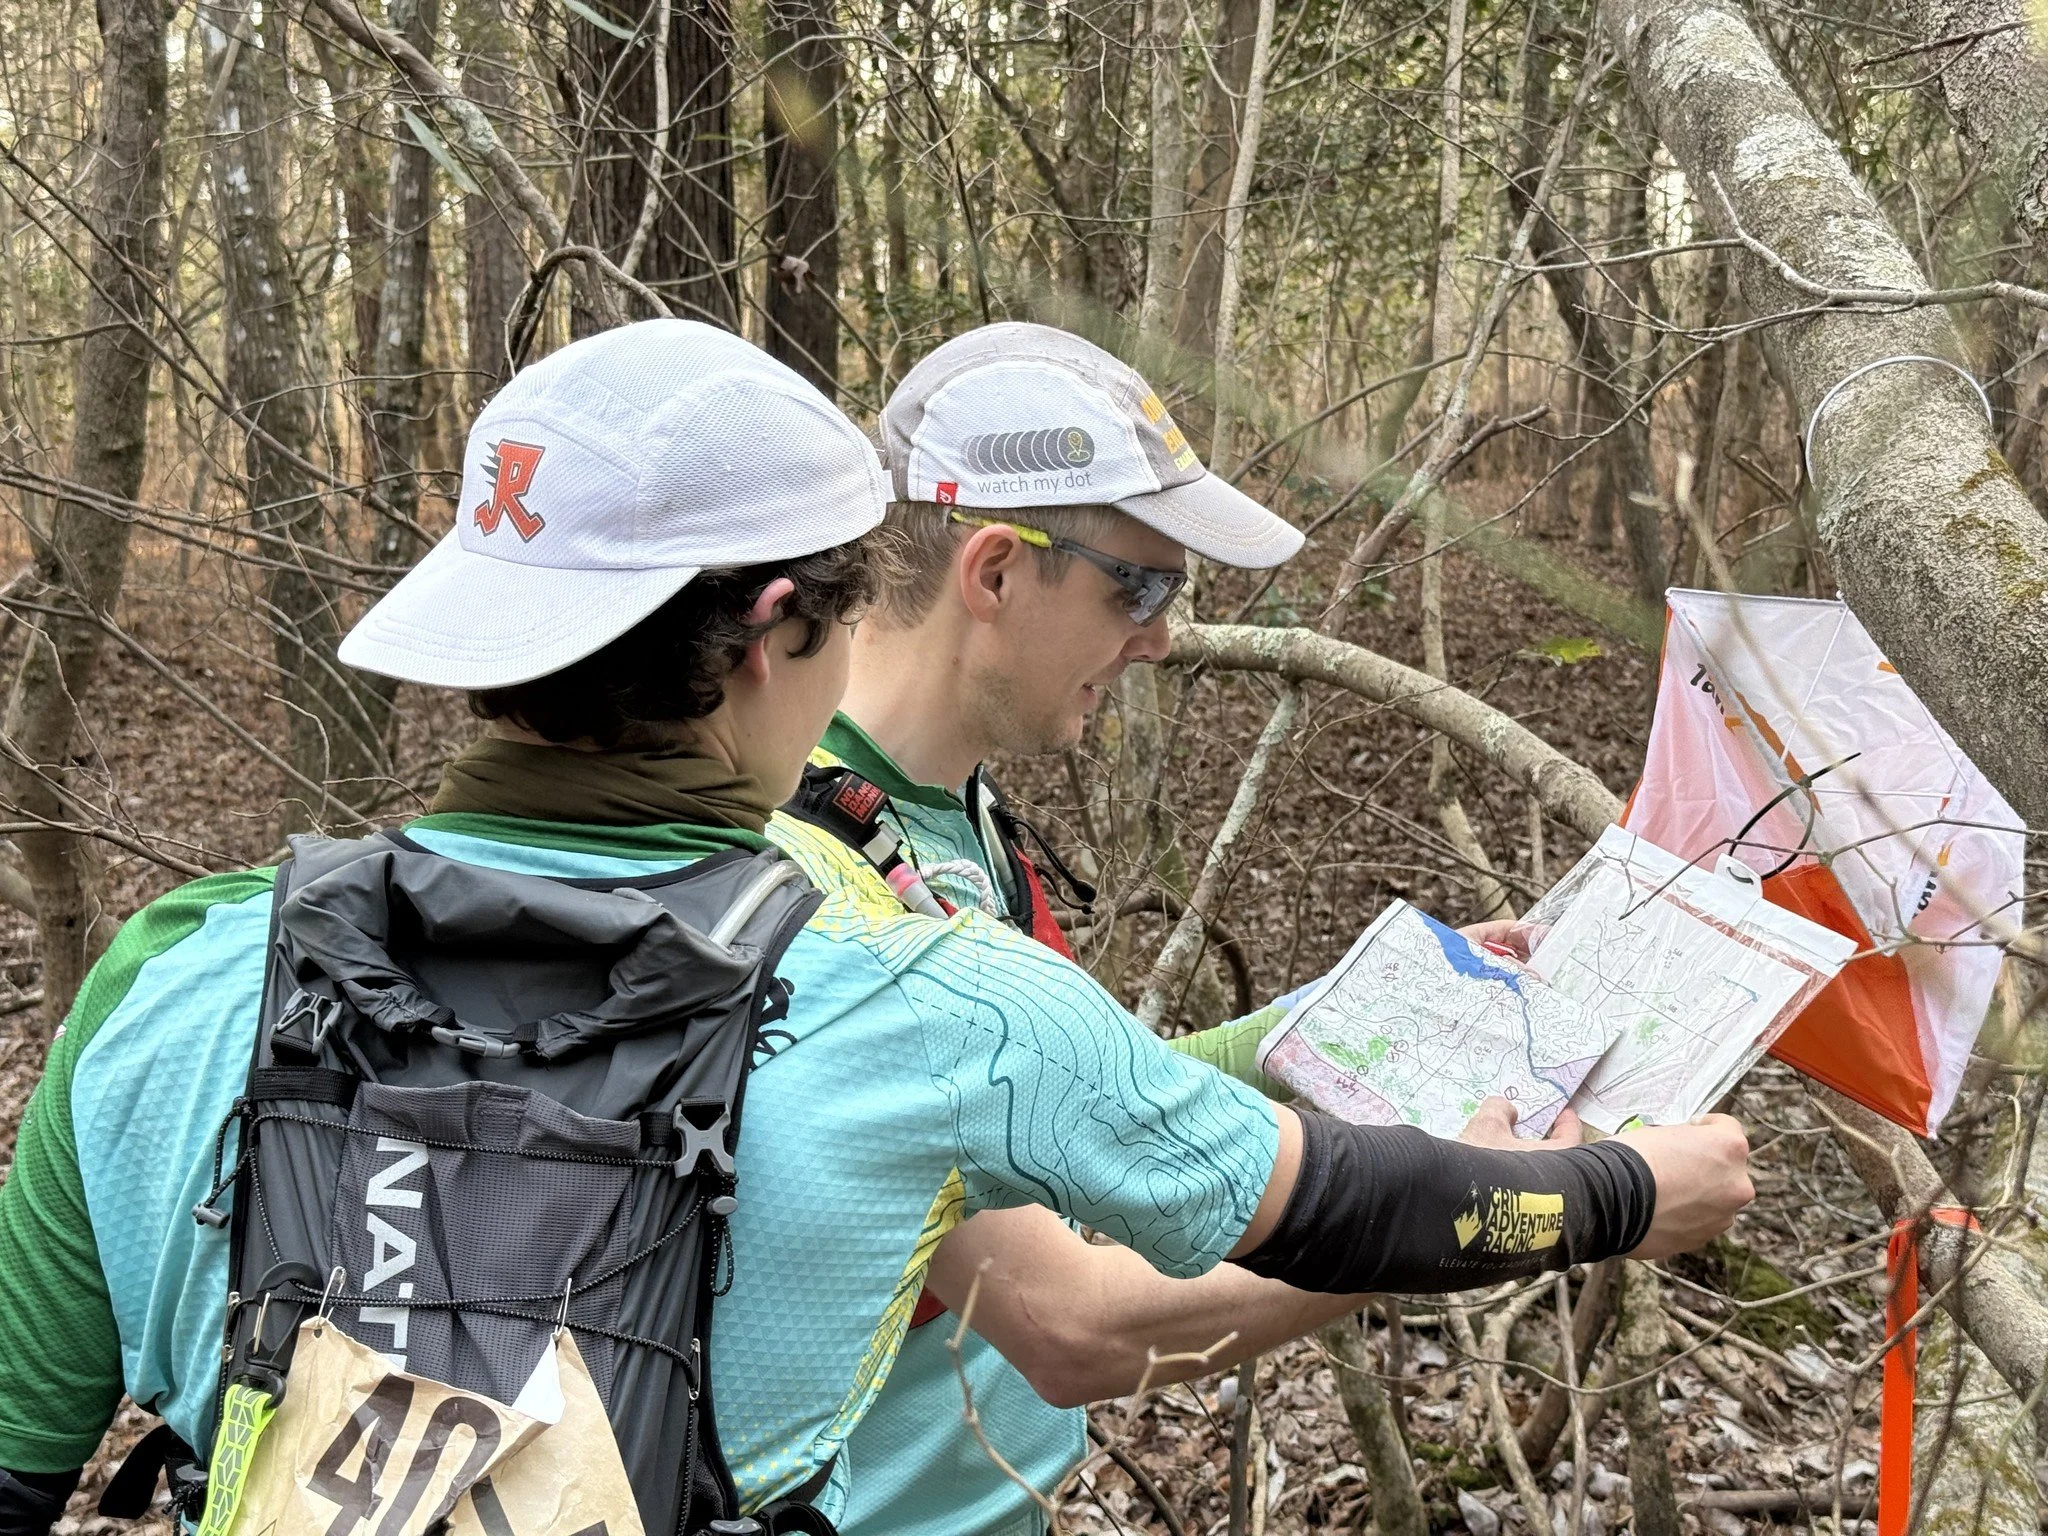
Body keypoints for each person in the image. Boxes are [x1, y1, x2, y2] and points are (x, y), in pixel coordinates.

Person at [0, 319, 1748, 1536]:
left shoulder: (164, 974)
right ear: (776, 632)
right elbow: (1355, 1203)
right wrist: (1608, 1193)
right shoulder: (910, 993)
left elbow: (20, 1447)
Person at [795, 322, 1679, 1536]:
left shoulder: (942, 809)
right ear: (994, 573)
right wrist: (1513, 1210)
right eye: (1138, 587)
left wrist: (1319, 1022)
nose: (1158, 636)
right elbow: (1077, 1327)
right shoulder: (826, 886)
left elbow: (1073, 1105)